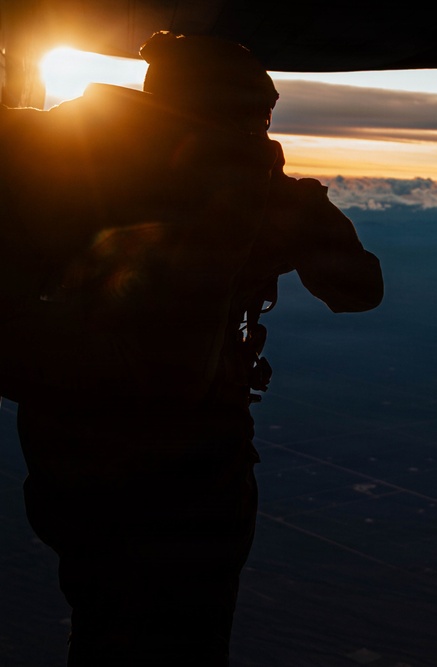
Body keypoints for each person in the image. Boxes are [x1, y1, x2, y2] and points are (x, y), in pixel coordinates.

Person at [0, 30, 383, 666]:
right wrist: (289, 209)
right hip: (194, 466)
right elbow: (358, 289)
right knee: (185, 633)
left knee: (102, 613)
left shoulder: (55, 155)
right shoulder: (265, 195)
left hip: (69, 455)